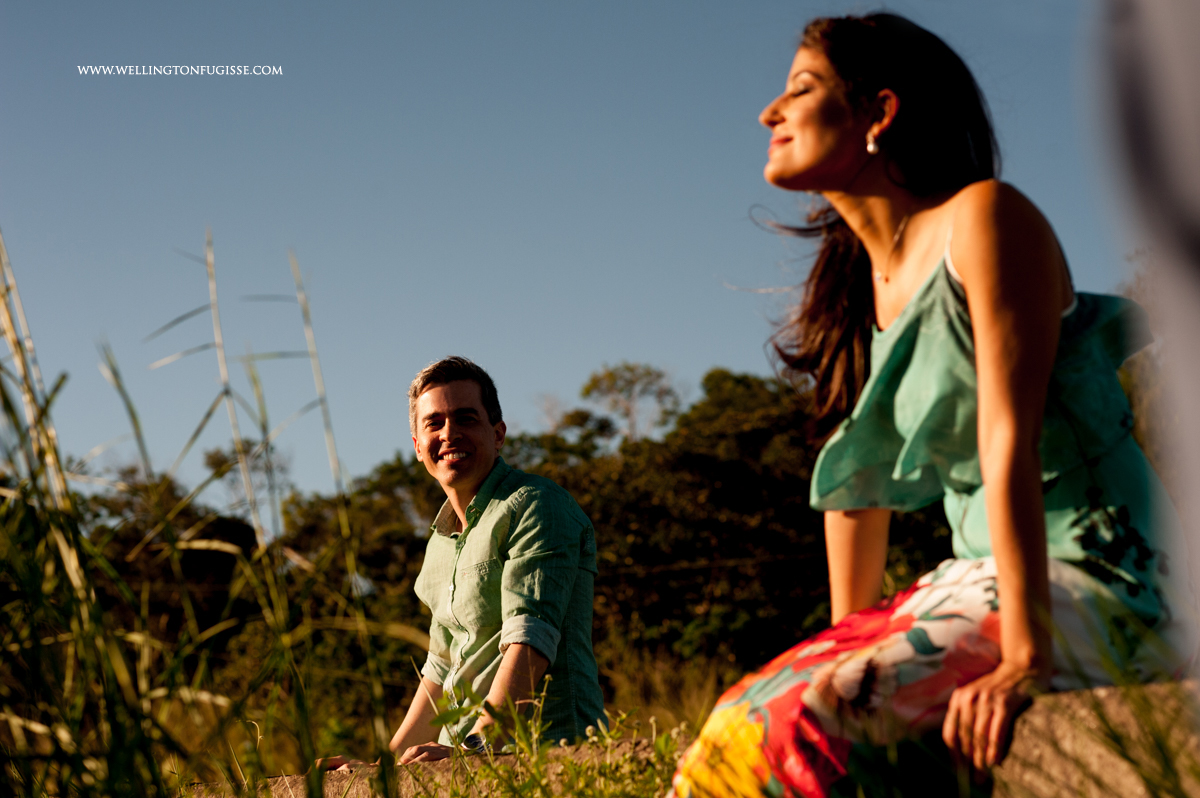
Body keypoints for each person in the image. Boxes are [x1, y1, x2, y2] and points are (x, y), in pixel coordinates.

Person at [670, 13, 1192, 798]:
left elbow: (1005, 434)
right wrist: (846, 644)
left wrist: (1026, 654)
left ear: (880, 114)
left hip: (1105, 576)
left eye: (801, 90)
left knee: (811, 722)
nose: (768, 114)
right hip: (974, 575)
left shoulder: (984, 218)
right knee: (734, 724)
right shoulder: (861, 293)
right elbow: (856, 489)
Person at [331, 356, 605, 768]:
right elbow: (439, 670)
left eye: (465, 419)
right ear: (417, 446)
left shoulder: (536, 504)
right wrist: (382, 773)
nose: (449, 434)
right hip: (457, 760)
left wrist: (476, 748)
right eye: (434, 423)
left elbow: (530, 638)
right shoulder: (438, 545)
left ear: (498, 435)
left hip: (544, 755)